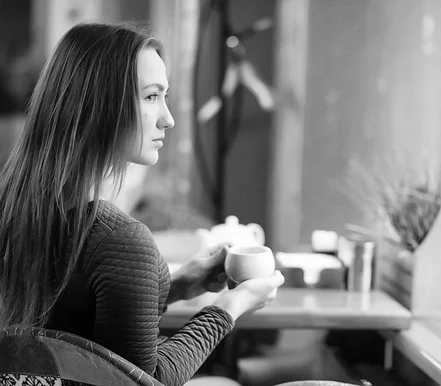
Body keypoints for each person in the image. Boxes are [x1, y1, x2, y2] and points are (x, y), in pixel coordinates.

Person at [0, 22, 284, 386]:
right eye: (151, 97)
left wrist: (174, 287)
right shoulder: (119, 239)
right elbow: (148, 381)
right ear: (99, 106)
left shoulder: (14, 207)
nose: (168, 118)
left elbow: (72, 321)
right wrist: (231, 308)